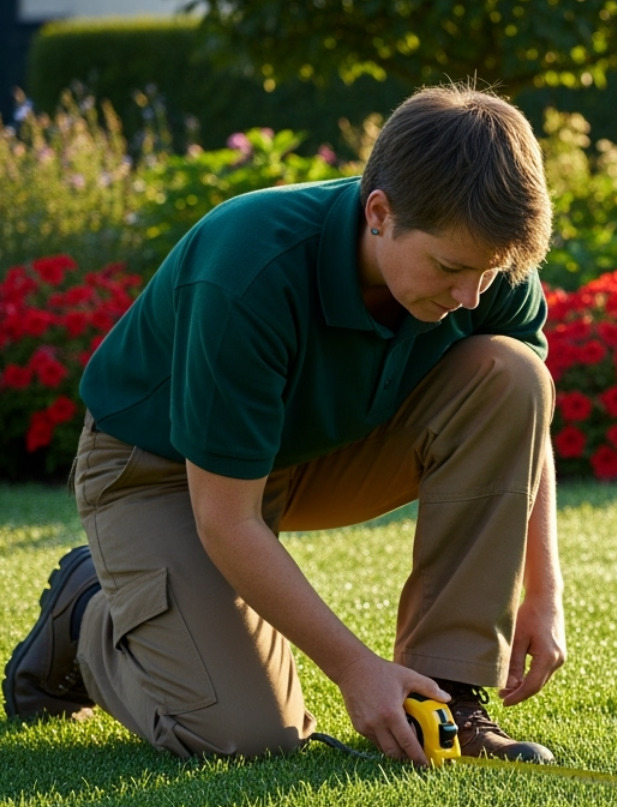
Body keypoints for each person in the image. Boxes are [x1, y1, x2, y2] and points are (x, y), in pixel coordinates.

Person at [3, 83, 566, 766]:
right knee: (249, 738)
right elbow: (226, 519)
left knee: (513, 372)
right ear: (380, 213)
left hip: (312, 457)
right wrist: (355, 668)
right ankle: (91, 614)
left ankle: (447, 695)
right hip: (160, 476)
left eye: (489, 273)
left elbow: (521, 419)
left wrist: (545, 591)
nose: (469, 296)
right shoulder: (248, 267)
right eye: (449, 268)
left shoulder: (481, 257)